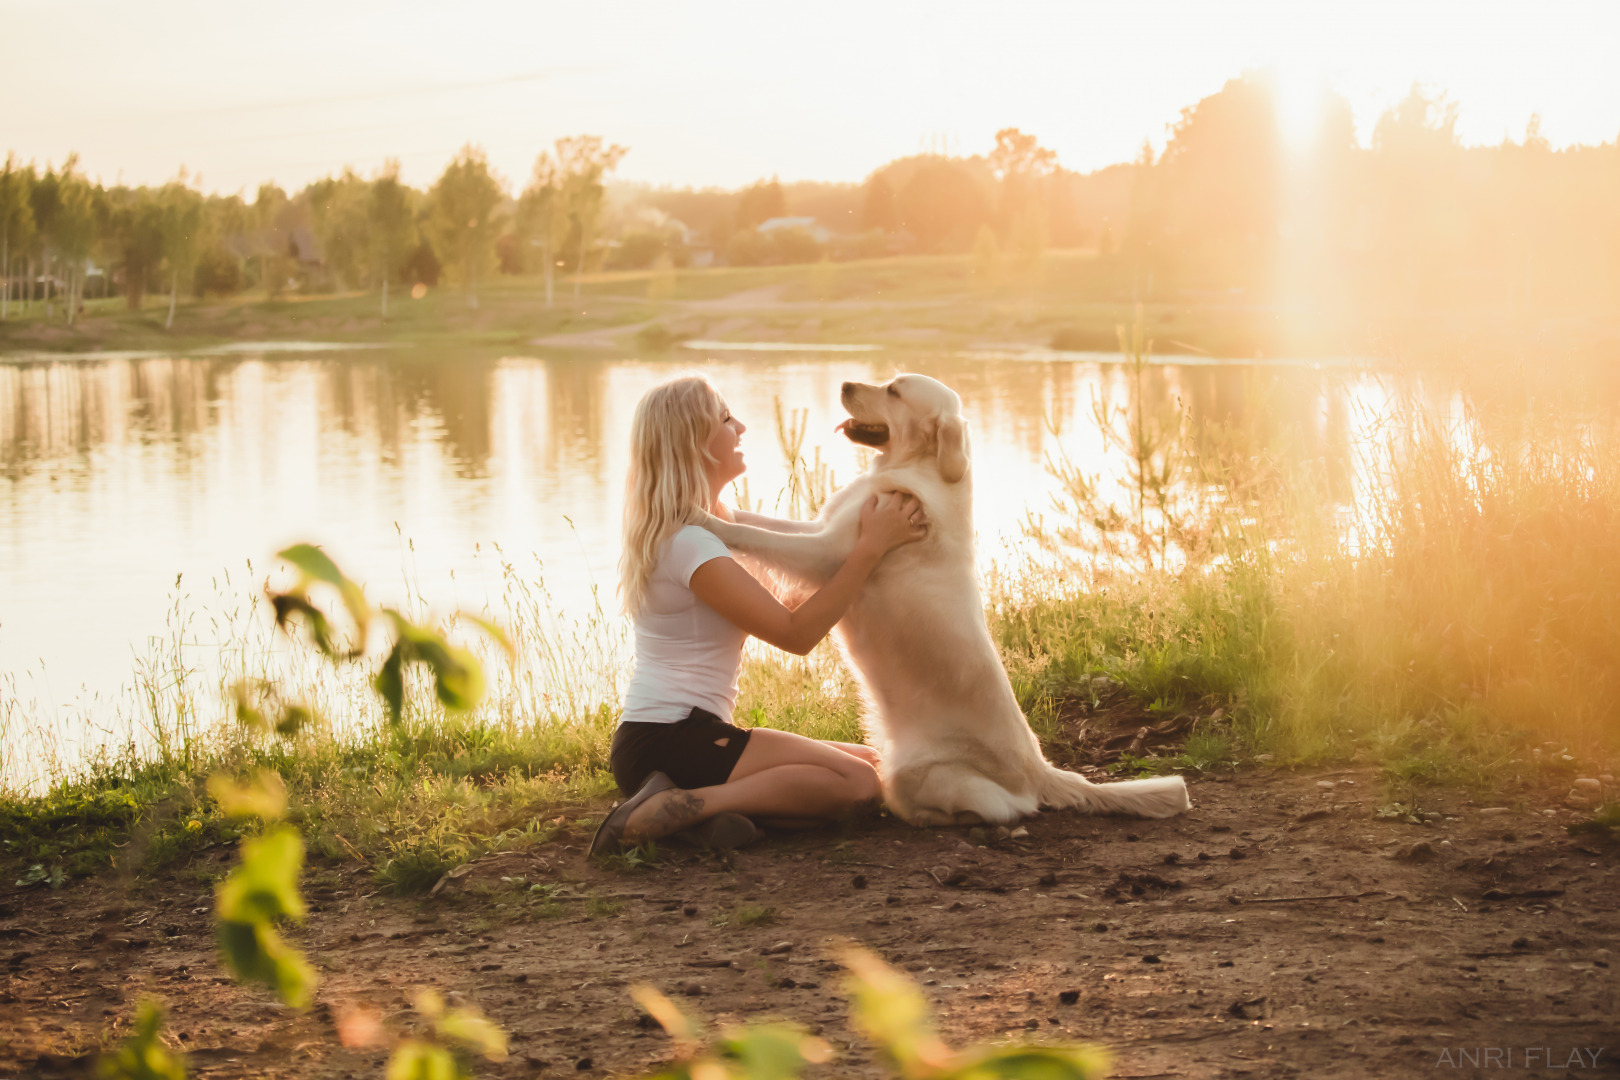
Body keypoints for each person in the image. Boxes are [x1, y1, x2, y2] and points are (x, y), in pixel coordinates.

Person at [589, 375, 926, 855]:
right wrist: (870, 549)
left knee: (871, 761)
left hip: (685, 737)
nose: (742, 427)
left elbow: (788, 601)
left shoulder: (709, 526)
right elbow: (796, 634)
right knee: (857, 784)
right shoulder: (690, 544)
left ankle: (708, 821)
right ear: (696, 442)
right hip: (671, 739)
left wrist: (871, 550)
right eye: (726, 419)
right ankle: (664, 812)